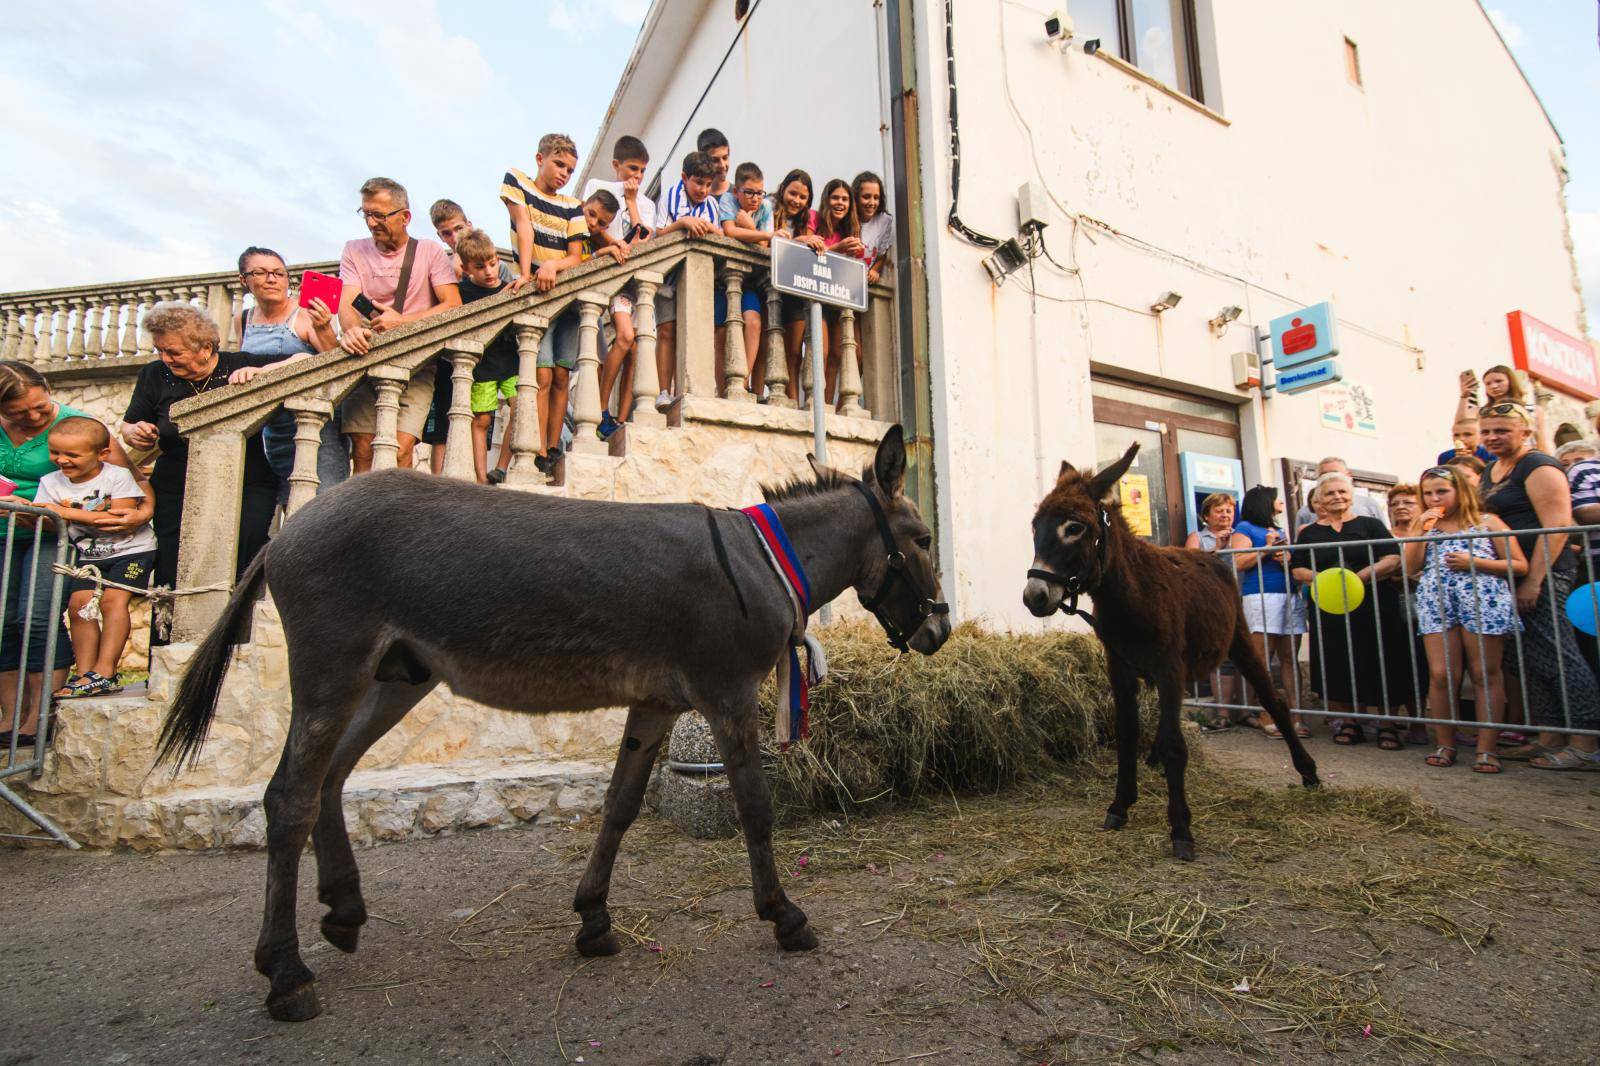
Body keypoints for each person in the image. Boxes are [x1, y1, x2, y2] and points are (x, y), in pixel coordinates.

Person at [0, 363, 145, 745]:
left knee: (35, 617)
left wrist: (141, 512)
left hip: (54, 534)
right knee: (3, 623)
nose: (31, 418)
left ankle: (39, 715)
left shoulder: (79, 426)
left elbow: (130, 483)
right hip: (6, 533)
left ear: (48, 388)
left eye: (39, 408)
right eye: (18, 413)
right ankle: (9, 717)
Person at [121, 302, 280, 634]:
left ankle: (235, 642)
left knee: (245, 557)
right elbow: (131, 424)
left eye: (173, 352)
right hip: (176, 484)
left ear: (206, 347)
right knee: (172, 565)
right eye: (161, 350)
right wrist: (134, 431)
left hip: (247, 481)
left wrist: (261, 373)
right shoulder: (153, 374)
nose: (166, 358)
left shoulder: (240, 362)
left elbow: (306, 360)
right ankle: (166, 647)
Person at [1477, 403, 1600, 768]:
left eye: (1501, 430)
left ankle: (1586, 744)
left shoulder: (1540, 465)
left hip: (1546, 574)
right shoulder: (1491, 469)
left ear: (1524, 431)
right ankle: (1550, 736)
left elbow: (1557, 525)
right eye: (1487, 431)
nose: (1492, 437)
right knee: (1527, 659)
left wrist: (1534, 581)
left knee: (1560, 655)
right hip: (1509, 577)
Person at [1401, 466, 1525, 773]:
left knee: (1485, 673)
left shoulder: (1487, 522)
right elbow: (1410, 568)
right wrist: (1420, 532)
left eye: (1441, 491)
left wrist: (1475, 562)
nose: (1434, 498)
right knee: (1442, 674)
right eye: (1427, 492)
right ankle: (1445, 743)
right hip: (1437, 600)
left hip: (1482, 598)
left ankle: (1487, 749)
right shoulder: (1426, 525)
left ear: (1460, 491)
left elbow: (1519, 564)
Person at [336, 177, 462, 472]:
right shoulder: (354, 250)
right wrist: (352, 329)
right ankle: (363, 518)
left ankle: (396, 517)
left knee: (402, 447)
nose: (371, 223)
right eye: (366, 213)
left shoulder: (429, 252)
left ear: (404, 216)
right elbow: (347, 300)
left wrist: (401, 322)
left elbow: (453, 305)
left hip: (416, 366)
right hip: (365, 360)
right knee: (364, 450)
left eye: (379, 215)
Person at [33, 417, 157, 698]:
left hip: (132, 550)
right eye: (55, 452)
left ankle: (105, 671)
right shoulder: (50, 482)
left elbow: (115, 518)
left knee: (113, 601)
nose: (62, 460)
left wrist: (62, 512)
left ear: (101, 454)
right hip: (89, 555)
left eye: (72, 454)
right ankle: (85, 673)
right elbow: (54, 524)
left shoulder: (117, 476)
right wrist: (36, 514)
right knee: (78, 606)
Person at [1291, 471, 1408, 745]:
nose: (1337, 497)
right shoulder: (1310, 533)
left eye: (1342, 492)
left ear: (1352, 495)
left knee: (1380, 659)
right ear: (1319, 499)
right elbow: (1298, 568)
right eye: (1330, 493)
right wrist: (1326, 580)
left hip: (1374, 604)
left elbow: (1392, 557)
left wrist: (1362, 576)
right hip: (1330, 607)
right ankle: (1349, 722)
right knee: (1337, 661)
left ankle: (1387, 724)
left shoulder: (1370, 525)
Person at [502, 134, 593, 474]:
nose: (564, 174)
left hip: (567, 300)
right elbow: (523, 226)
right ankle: (537, 447)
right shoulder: (517, 182)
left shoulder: (573, 206)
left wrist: (554, 265)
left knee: (560, 375)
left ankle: (553, 446)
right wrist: (527, 273)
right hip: (538, 296)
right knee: (540, 374)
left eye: (570, 170)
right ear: (539, 159)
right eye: (559, 165)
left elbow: (576, 257)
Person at [231, 247, 347, 501]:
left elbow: (335, 363)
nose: (272, 279)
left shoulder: (303, 315)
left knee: (324, 499)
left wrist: (324, 327)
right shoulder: (243, 319)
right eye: (261, 272)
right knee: (288, 501)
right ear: (244, 280)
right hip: (272, 428)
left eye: (279, 273)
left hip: (313, 424)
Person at [583, 136, 656, 441]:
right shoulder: (597, 187)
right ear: (616, 165)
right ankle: (600, 409)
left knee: (637, 347)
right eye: (632, 169)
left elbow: (644, 239)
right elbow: (591, 227)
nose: (637, 177)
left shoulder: (645, 203)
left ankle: (620, 418)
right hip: (610, 278)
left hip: (634, 285)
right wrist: (615, 246)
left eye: (642, 172)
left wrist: (630, 202)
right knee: (624, 337)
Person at [1231, 486, 1308, 736]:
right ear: (1265, 503)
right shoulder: (1244, 528)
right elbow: (1239, 562)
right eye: (1277, 499)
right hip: (1261, 595)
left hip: (1288, 593)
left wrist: (1285, 559)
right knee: (1263, 657)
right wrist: (1265, 549)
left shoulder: (1280, 530)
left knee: (1289, 657)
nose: (1282, 503)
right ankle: (1267, 713)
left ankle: (1296, 715)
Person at [651, 150, 720, 413]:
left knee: (695, 332)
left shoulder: (712, 204)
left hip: (698, 279)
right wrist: (683, 222)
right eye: (698, 183)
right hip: (667, 278)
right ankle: (663, 390)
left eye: (707, 184)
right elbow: (659, 234)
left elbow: (719, 234)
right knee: (667, 331)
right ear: (684, 177)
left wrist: (709, 228)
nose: (703, 190)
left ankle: (693, 385)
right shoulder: (669, 196)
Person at [453, 229, 523, 484]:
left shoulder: (510, 288)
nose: (490, 272)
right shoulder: (461, 293)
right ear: (466, 268)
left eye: (493, 263)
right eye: (480, 267)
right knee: (482, 418)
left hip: (511, 360)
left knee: (520, 406)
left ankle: (501, 467)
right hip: (482, 365)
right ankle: (481, 478)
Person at [1184, 492, 1239, 725]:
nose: (1225, 514)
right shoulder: (1197, 537)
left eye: (1229, 510)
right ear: (1206, 515)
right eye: (1219, 510)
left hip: (1241, 598)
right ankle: (1222, 713)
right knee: (1221, 655)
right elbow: (1190, 563)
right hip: (1213, 603)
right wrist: (1217, 548)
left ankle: (1246, 711)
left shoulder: (1241, 536)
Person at [717, 161, 772, 395]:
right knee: (721, 333)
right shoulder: (727, 201)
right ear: (736, 190)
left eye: (759, 192)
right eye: (749, 192)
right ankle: (724, 389)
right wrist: (761, 234)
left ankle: (743, 383)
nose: (755, 198)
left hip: (749, 281)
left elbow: (765, 245)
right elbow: (730, 231)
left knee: (754, 323)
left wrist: (750, 226)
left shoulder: (766, 207)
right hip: (722, 279)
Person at [771, 170, 824, 404]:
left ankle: (795, 399)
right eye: (793, 193)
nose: (796, 201)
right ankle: (782, 396)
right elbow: (768, 242)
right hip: (770, 284)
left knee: (794, 351)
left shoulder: (807, 220)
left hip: (794, 289)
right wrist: (798, 241)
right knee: (771, 343)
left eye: (803, 197)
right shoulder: (768, 209)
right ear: (783, 189)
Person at [1293, 457, 1387, 530]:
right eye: (1324, 475)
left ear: (1348, 475)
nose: (1330, 477)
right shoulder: (1305, 511)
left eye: (1335, 473)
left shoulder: (1369, 504)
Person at [697, 127, 732, 202]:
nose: (722, 165)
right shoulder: (693, 196)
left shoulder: (740, 196)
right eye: (715, 160)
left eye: (725, 158)